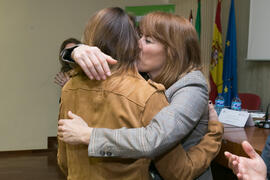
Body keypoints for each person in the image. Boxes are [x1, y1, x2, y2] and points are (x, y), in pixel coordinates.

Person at [58, 11, 223, 179]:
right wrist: (74, 52)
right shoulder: (143, 77)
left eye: (147, 40)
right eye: (139, 36)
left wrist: (89, 135)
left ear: (173, 52)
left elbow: (154, 138)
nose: (137, 44)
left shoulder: (191, 86)